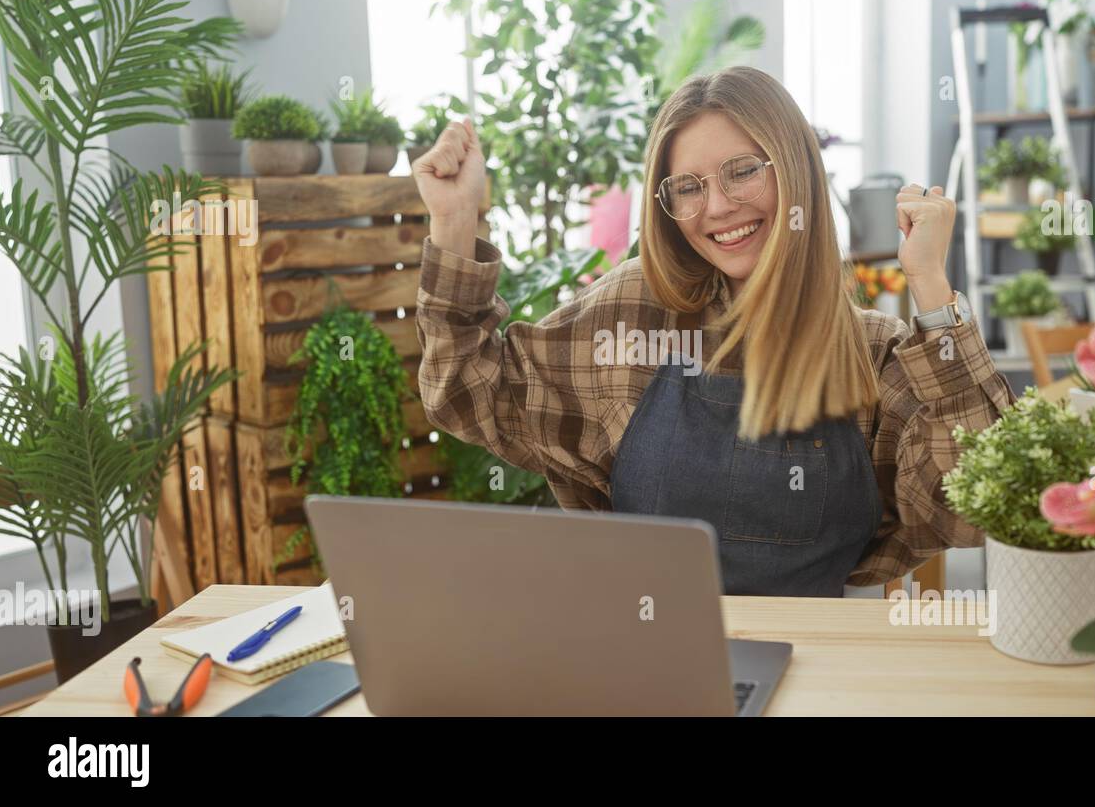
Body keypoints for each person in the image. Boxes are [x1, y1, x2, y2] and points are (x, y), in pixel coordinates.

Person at [412, 66, 1012, 596]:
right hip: (647, 659)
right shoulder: (631, 313)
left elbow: (966, 511)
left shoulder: (874, 350)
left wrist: (930, 283)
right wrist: (455, 222)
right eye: (689, 186)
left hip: (822, 664)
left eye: (742, 171)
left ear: (796, 172)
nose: (718, 206)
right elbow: (466, 388)